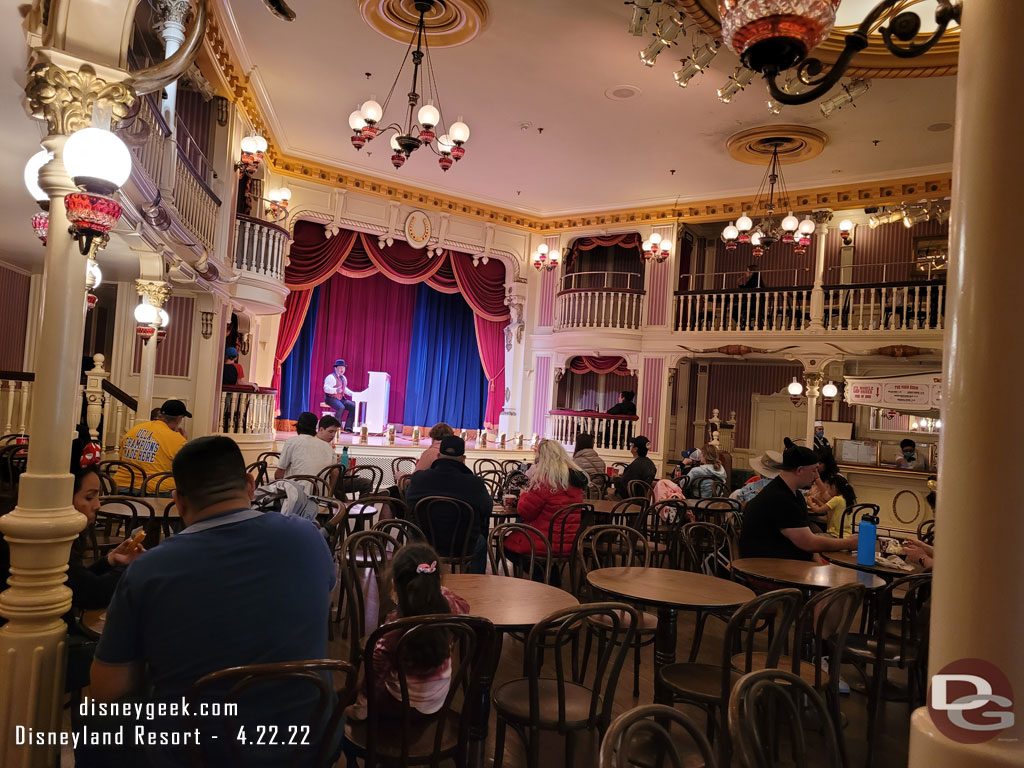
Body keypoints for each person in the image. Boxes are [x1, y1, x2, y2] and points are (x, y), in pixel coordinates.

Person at [89, 436, 336, 767]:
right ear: (250, 485)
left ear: (178, 501)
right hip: (309, 744)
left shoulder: (149, 569)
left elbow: (109, 690)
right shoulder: (307, 537)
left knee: (97, 722)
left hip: (200, 752)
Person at [348, 542, 470, 721]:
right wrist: (436, 591)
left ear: (394, 587)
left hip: (401, 710)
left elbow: (373, 682)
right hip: (437, 705)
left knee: (340, 697)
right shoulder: (450, 611)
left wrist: (358, 710)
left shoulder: (391, 631)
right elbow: (465, 606)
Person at [738, 439, 858, 561]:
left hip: (784, 564)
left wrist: (819, 566)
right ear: (799, 470)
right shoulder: (779, 497)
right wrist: (847, 543)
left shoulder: (794, 495)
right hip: (764, 568)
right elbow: (808, 542)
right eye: (814, 470)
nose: (816, 475)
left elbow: (810, 547)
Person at [504, 440, 587, 586]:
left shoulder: (545, 482)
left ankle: (542, 578)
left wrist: (524, 494)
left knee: (505, 545)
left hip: (544, 541)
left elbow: (525, 512)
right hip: (569, 543)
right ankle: (551, 578)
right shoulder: (575, 483)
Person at [404, 436, 492, 574]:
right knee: (480, 541)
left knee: (413, 533)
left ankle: (416, 581)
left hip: (424, 542)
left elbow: (408, 507)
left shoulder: (419, 479)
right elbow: (487, 510)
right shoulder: (475, 484)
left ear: (438, 456)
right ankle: (476, 584)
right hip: (463, 545)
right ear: (463, 459)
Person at [113, 399, 190, 491]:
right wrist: (184, 442)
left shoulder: (134, 430)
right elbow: (185, 469)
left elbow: (121, 458)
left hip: (121, 487)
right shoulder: (177, 439)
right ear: (179, 418)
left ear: (161, 414)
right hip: (155, 491)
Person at [275, 412, 338, 493]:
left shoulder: (292, 442)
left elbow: (279, 474)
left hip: (295, 495)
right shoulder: (327, 446)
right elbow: (335, 473)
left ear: (298, 427)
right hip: (321, 495)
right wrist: (329, 493)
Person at [324, 358, 356, 432]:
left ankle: (348, 427)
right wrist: (335, 390)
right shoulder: (331, 377)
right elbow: (326, 388)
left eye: (343, 368)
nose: (342, 369)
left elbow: (345, 389)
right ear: (336, 368)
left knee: (354, 406)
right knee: (341, 407)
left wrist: (354, 394)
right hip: (330, 398)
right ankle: (337, 428)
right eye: (340, 367)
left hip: (340, 398)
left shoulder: (343, 378)